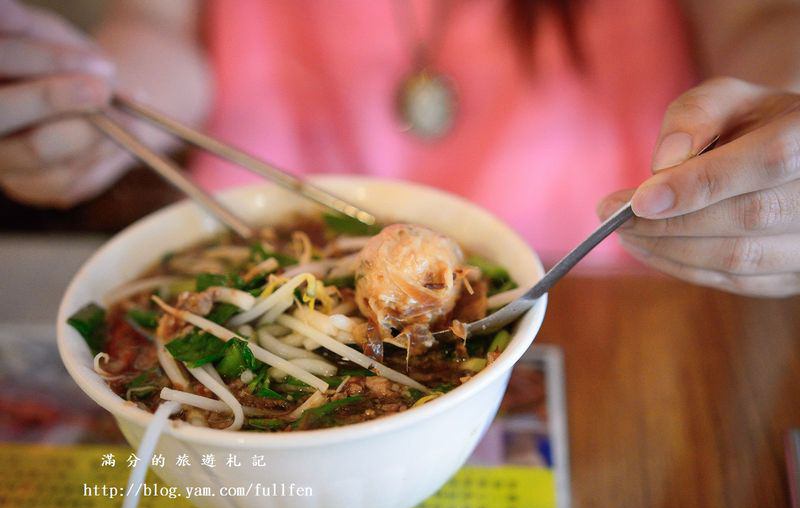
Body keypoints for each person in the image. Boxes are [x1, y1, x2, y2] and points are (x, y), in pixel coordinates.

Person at [1, 0, 799, 297]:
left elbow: (763, 22)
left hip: (615, 301)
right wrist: (93, 100)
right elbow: (159, 26)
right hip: (257, 269)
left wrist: (779, 130)